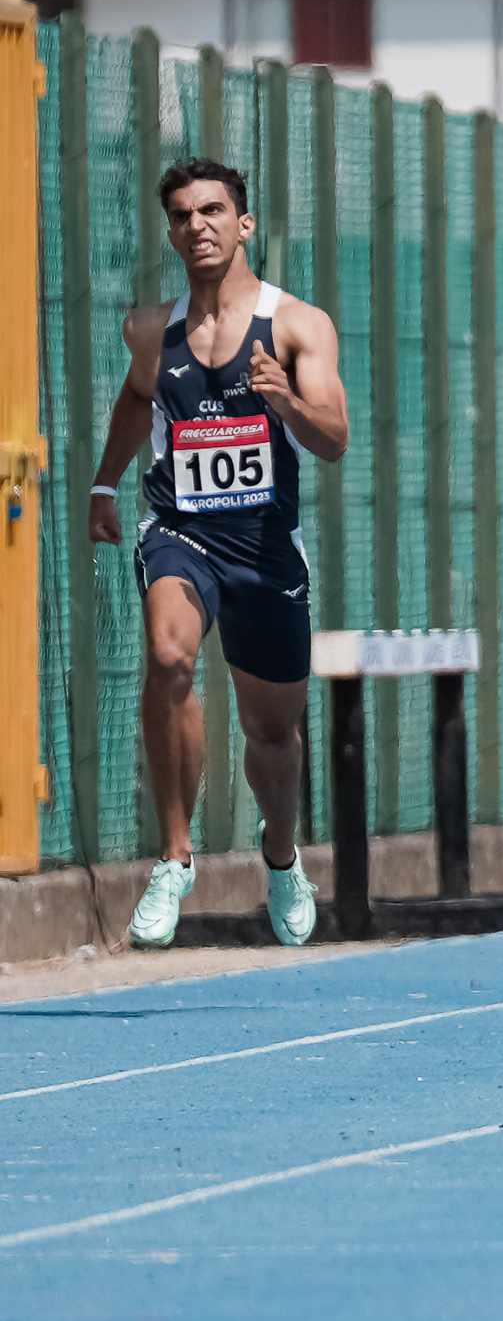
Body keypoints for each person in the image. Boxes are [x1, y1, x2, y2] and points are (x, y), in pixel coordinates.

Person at [87, 156, 350, 951]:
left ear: (243, 224)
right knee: (169, 654)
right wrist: (104, 484)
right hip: (182, 532)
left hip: (265, 550)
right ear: (171, 233)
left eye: (211, 211)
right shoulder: (149, 331)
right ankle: (175, 857)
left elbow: (334, 437)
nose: (196, 225)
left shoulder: (298, 325)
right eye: (181, 215)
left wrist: (285, 400)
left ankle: (281, 855)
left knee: (272, 735)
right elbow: (138, 399)